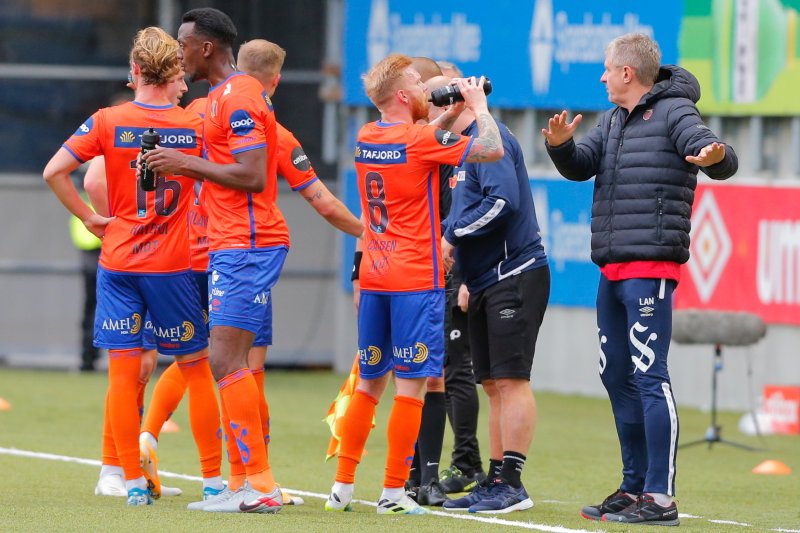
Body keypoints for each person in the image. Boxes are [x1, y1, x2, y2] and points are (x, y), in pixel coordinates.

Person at [138, 38, 361, 507]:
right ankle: (250, 479)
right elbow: (321, 200)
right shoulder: (270, 131)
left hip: (194, 250)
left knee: (201, 355)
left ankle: (158, 437)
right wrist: (368, 232)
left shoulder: (198, 110)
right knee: (241, 366)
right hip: (239, 249)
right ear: (276, 81)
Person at [541, 32, 738, 526]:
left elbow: (716, 153)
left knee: (650, 375)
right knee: (615, 374)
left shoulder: (675, 111)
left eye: (607, 69)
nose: (602, 77)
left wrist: (716, 157)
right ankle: (633, 487)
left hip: (651, 267)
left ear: (627, 73)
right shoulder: (612, 120)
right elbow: (580, 166)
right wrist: (560, 147)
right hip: (611, 267)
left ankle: (661, 497)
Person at [43, 26, 217, 507]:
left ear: (135, 70)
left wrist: (90, 218)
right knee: (196, 368)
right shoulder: (195, 125)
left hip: (118, 261)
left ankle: (130, 481)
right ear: (175, 71)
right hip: (172, 265)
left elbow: (54, 172)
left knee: (123, 375)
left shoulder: (107, 120)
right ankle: (214, 481)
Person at [323, 53, 503, 516]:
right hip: (415, 279)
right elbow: (490, 148)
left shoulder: (368, 135)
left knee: (369, 385)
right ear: (403, 95)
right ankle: (392, 492)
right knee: (412, 389)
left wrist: (442, 114)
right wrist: (478, 106)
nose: (427, 90)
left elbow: (416, 142)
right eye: (418, 85)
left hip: (376, 275)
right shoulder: (421, 140)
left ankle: (342, 488)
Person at [142, 7, 286, 513]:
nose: (178, 52)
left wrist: (185, 163)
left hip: (248, 242)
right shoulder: (218, 97)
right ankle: (246, 482)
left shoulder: (239, 96)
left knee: (225, 360)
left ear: (206, 47)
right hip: (231, 243)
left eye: (183, 43)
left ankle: (260, 487)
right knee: (226, 360)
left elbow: (253, 174)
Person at [83, 83, 210, 501]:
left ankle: (130, 470)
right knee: (137, 364)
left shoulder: (171, 120)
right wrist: (127, 226)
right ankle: (113, 469)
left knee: (143, 363)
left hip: (160, 259)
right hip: (151, 260)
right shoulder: (147, 121)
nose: (185, 85)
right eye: (179, 75)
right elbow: (94, 180)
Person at [439, 71, 550, 514]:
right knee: (491, 384)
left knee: (511, 380)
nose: (428, 108)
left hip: (515, 273)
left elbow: (502, 203)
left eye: (434, 96)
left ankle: (512, 484)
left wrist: (451, 237)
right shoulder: (460, 147)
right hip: (484, 279)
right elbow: (466, 209)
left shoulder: (491, 137)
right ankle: (495, 478)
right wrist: (467, 277)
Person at [426, 67, 487, 497]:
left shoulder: (467, 146)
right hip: (433, 272)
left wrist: (466, 276)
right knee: (441, 368)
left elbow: (468, 217)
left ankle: (468, 462)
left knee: (455, 369)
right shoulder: (432, 141)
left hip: (455, 272)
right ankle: (425, 469)